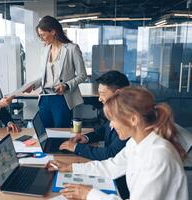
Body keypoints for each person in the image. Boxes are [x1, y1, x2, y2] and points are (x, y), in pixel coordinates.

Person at [46, 86, 188, 200]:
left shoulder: (158, 156)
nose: (112, 125)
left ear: (133, 119)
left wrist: (89, 194)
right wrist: (71, 167)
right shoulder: (136, 143)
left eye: (113, 119)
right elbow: (111, 167)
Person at [23, 15, 87, 128]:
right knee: (44, 133)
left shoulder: (72, 49)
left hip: (62, 99)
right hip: (44, 98)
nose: (41, 38)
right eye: (39, 35)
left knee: (60, 133)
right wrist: (33, 85)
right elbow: (45, 76)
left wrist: (66, 85)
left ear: (53, 31)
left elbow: (82, 75)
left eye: (42, 35)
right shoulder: (45, 50)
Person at [59, 71, 130, 160]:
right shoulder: (116, 110)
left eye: (102, 93)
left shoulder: (128, 118)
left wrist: (76, 147)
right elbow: (104, 129)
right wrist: (86, 137)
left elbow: (111, 153)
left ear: (117, 93)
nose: (99, 99)